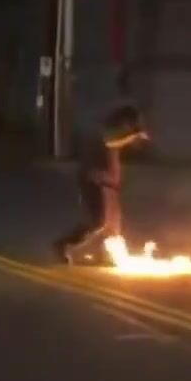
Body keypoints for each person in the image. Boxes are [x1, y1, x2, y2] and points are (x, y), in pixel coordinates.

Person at [54, 106, 149, 264]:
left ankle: (103, 254)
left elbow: (118, 148)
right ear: (124, 122)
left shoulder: (113, 136)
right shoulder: (105, 134)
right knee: (97, 221)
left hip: (107, 183)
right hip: (95, 181)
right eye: (130, 125)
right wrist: (133, 135)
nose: (129, 129)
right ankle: (63, 245)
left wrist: (134, 137)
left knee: (112, 225)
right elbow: (110, 144)